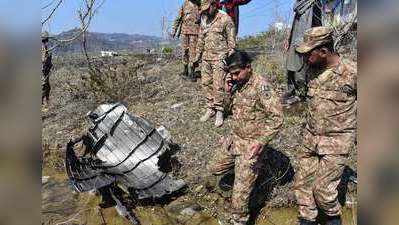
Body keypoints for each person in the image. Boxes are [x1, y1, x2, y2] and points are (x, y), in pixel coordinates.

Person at [208, 51, 283, 225]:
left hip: (251, 146)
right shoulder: (237, 84)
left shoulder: (262, 86)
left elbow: (277, 118)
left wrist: (261, 141)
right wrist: (226, 91)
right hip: (235, 140)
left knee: (239, 199)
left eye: (236, 73)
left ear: (248, 67)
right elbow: (226, 111)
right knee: (213, 168)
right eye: (231, 74)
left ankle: (239, 218)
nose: (233, 77)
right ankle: (248, 179)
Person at [293, 26, 356, 225]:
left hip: (337, 141)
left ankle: (333, 220)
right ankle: (307, 221)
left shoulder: (352, 72)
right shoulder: (311, 70)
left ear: (323, 51)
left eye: (308, 53)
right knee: (302, 186)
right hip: (310, 138)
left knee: (323, 190)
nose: (304, 57)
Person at [194, 0, 236, 127]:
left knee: (218, 85)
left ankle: (219, 111)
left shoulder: (225, 19)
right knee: (206, 83)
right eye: (204, 10)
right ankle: (210, 108)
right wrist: (197, 56)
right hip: (206, 58)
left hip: (220, 58)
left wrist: (229, 60)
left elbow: (232, 43)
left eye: (207, 9)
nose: (206, 11)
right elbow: (201, 38)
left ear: (214, 5)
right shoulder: (204, 19)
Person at [282, 0, 322, 105]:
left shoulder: (314, 5)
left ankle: (302, 95)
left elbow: (318, 26)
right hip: (295, 42)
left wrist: (311, 45)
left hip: (306, 44)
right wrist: (289, 40)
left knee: (301, 70)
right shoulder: (300, 6)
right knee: (291, 67)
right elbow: (295, 26)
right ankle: (292, 92)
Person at [171, 0, 201, 81]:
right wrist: (174, 30)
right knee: (184, 51)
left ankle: (192, 72)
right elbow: (178, 18)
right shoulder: (185, 4)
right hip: (185, 32)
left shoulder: (200, 5)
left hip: (195, 33)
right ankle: (185, 70)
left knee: (193, 52)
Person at [41, 31, 53, 106]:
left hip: (46, 70)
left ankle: (47, 102)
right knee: (44, 87)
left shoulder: (45, 47)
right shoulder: (43, 48)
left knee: (48, 87)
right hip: (44, 70)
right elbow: (43, 60)